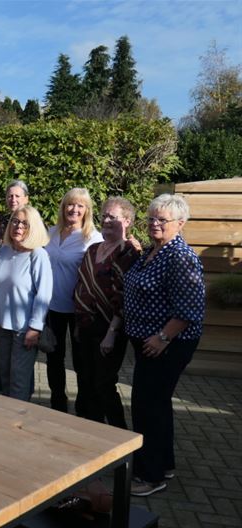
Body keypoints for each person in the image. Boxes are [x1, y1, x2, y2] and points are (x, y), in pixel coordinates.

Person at [124, 194, 205, 497]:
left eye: (162, 220)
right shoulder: (154, 251)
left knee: (148, 407)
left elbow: (189, 310)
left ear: (180, 224)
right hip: (149, 342)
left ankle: (150, 475)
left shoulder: (180, 256)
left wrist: (161, 338)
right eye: (152, 218)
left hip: (167, 344)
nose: (154, 223)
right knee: (156, 404)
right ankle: (164, 464)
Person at [74, 197, 140, 428]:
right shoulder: (92, 249)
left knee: (104, 384)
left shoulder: (128, 254)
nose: (107, 220)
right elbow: (81, 285)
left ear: (127, 221)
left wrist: (111, 333)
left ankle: (119, 438)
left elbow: (125, 297)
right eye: (104, 216)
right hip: (85, 326)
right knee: (86, 382)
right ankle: (93, 434)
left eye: (113, 217)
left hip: (109, 328)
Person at [45, 188, 103, 413]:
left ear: (87, 210)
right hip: (52, 306)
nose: (74, 209)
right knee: (54, 358)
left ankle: (84, 406)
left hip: (80, 310)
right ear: (63, 207)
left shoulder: (92, 238)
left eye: (80, 206)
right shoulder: (51, 233)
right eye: (70, 204)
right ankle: (57, 402)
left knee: (81, 360)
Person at [0, 206, 52, 402]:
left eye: (25, 223)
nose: (18, 226)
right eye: (15, 221)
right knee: (4, 378)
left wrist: (35, 327)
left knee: (19, 383)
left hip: (24, 329)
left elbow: (44, 293)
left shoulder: (38, 255)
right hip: (2, 325)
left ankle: (18, 423)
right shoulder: (5, 250)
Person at [0, 180, 29, 248]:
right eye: (10, 196)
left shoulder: (33, 221)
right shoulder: (0, 222)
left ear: (26, 199)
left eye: (17, 196)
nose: (13, 200)